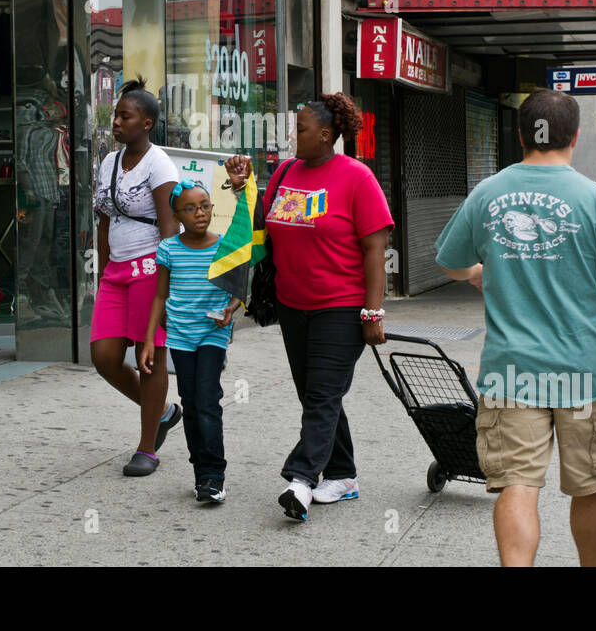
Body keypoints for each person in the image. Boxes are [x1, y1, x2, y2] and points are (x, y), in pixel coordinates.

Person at [435, 88, 596, 567]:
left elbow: (450, 262)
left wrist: (479, 273)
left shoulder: (488, 192)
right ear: (576, 135)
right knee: (590, 485)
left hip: (512, 373)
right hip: (583, 370)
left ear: (522, 134)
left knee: (518, 485)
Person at [224, 93, 393, 522]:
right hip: (292, 305)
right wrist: (245, 187)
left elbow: (376, 249)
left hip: (341, 306)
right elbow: (262, 225)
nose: (292, 136)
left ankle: (301, 481)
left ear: (325, 134)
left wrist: (373, 313)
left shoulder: (357, 177)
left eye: (299, 129)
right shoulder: (284, 172)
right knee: (317, 395)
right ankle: (344, 475)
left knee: (321, 395)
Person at [92, 78, 183, 476]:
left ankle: (147, 448)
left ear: (146, 123)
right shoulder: (109, 162)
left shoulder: (159, 164)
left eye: (124, 116)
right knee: (105, 357)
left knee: (149, 359)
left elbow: (169, 231)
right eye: (115, 115)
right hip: (116, 271)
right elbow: (104, 218)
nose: (116, 122)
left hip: (150, 268)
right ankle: (162, 411)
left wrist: (167, 288)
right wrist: (102, 265)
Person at [142, 181, 241, 503]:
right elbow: (160, 296)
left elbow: (241, 288)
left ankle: (214, 476)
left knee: (207, 399)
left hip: (213, 332)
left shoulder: (225, 246)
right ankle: (201, 474)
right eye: (190, 208)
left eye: (205, 205)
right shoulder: (169, 249)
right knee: (192, 401)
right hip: (180, 337)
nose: (200, 213)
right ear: (177, 215)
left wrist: (231, 309)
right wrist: (148, 342)